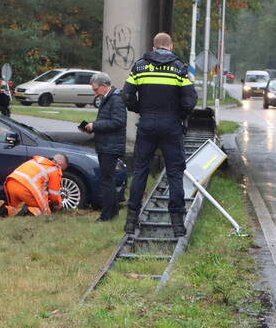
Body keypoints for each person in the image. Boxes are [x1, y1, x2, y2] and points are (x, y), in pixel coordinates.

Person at [122, 32, 197, 237]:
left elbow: (126, 95)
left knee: (140, 171)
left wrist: (139, 109)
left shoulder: (139, 66)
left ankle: (131, 222)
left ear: (153, 47)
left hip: (146, 125)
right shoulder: (179, 68)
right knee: (174, 173)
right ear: (170, 47)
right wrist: (179, 115)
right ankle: (177, 225)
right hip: (171, 125)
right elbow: (190, 100)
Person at [82, 71, 126, 222]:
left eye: (96, 89)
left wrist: (96, 125)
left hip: (110, 146)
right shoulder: (108, 98)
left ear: (105, 86)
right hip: (106, 145)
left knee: (107, 181)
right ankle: (112, 213)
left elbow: (118, 122)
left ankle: (107, 215)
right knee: (108, 180)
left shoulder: (116, 99)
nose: (95, 93)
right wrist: (92, 127)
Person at [0, 154, 67, 216]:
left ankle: (3, 210)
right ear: (61, 164)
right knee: (42, 212)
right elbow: (54, 193)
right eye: (62, 169)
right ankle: (26, 212)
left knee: (15, 209)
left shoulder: (36, 161)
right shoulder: (54, 169)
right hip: (26, 189)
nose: (61, 171)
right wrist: (57, 205)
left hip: (11, 184)